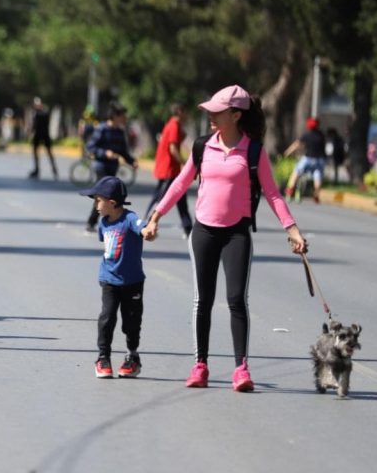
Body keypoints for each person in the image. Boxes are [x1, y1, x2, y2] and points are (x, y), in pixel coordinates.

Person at [142, 84, 307, 392]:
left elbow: (272, 193)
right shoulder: (203, 146)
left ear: (235, 114)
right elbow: (179, 183)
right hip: (203, 231)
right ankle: (200, 365)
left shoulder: (254, 151)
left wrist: (292, 229)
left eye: (217, 112)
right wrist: (156, 217)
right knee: (202, 300)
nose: (210, 117)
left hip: (237, 233)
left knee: (236, 300)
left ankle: (241, 369)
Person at [80, 176, 154, 379]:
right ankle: (103, 357)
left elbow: (143, 227)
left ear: (112, 203)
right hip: (109, 279)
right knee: (107, 317)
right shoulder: (103, 223)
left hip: (132, 281)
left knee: (131, 321)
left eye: (98, 200)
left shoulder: (129, 219)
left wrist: (148, 231)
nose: (95, 204)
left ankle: (132, 356)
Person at [84, 102, 138, 232]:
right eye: (122, 116)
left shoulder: (119, 132)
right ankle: (93, 222)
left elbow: (123, 151)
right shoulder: (102, 129)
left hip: (113, 167)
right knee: (104, 195)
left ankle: (105, 222)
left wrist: (132, 161)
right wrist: (105, 153)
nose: (124, 118)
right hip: (101, 166)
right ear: (115, 116)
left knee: (108, 196)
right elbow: (91, 146)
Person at [144, 102, 193, 238]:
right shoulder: (173, 126)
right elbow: (173, 149)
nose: (187, 115)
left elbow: (179, 140)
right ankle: (146, 224)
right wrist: (184, 162)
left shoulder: (175, 125)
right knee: (159, 198)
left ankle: (188, 228)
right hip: (168, 169)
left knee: (181, 198)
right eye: (185, 111)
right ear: (179, 111)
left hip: (173, 170)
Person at [283, 117, 327, 203]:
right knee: (317, 177)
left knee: (296, 171)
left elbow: (297, 144)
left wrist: (287, 152)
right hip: (320, 160)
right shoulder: (321, 135)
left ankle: (290, 189)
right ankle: (316, 194)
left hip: (308, 158)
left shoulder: (307, 135)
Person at [27, 97, 58, 180]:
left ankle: (53, 169)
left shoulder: (41, 113)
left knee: (48, 152)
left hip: (43, 135)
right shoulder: (40, 113)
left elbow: (36, 124)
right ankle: (38, 169)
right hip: (39, 135)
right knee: (36, 152)